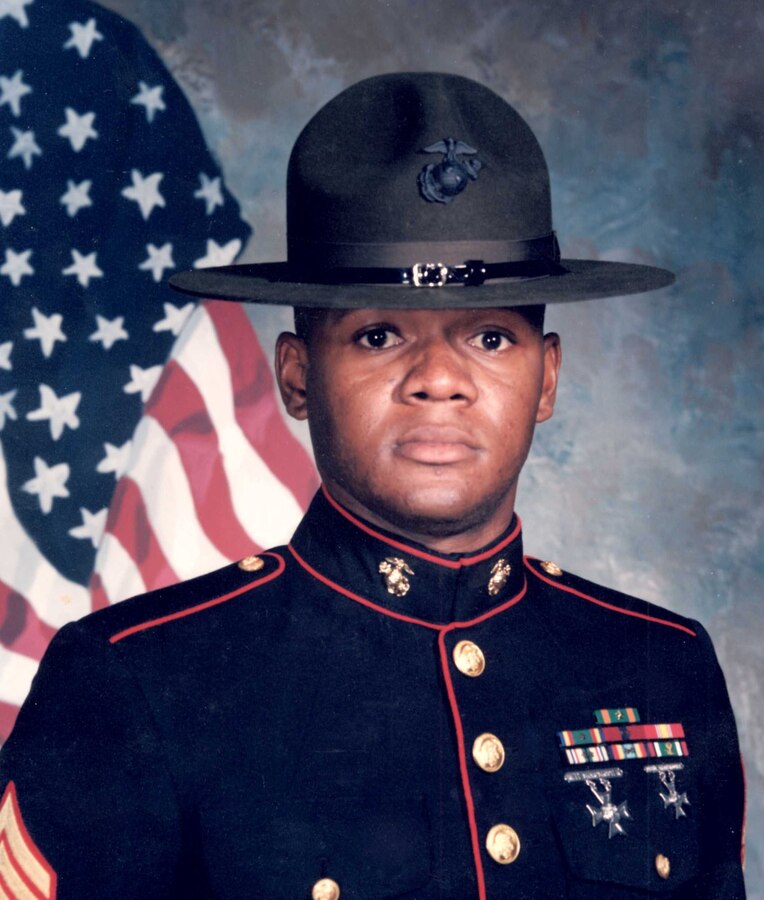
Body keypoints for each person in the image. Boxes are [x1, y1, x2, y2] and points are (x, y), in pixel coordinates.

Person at [0, 73, 745, 899]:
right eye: (379, 334)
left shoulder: (660, 665)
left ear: (547, 380)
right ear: (297, 377)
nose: (438, 379)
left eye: (492, 337)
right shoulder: (136, 683)